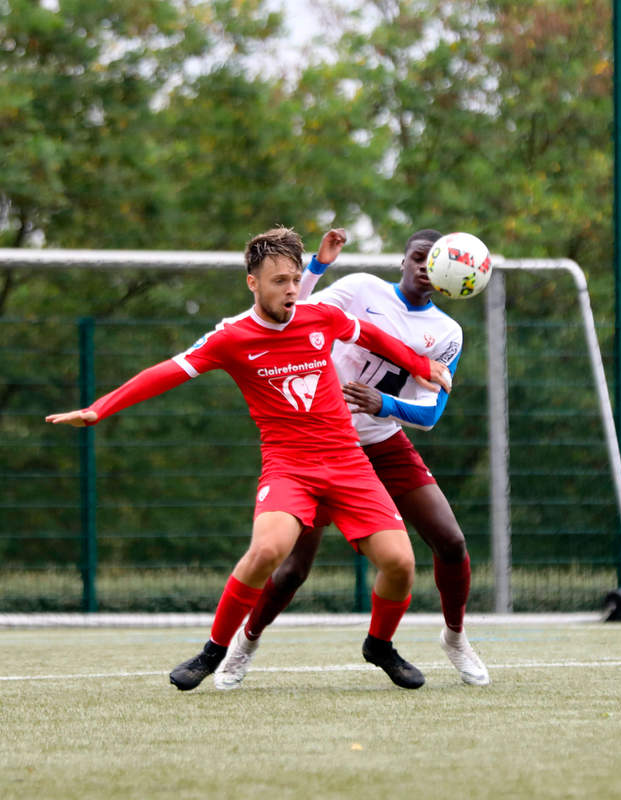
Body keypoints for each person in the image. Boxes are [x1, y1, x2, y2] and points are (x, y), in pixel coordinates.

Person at [46, 227, 453, 692]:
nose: (291, 289)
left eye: (296, 279)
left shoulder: (321, 317)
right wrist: (101, 408)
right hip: (289, 466)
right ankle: (214, 651)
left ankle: (379, 645)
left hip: (347, 462)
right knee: (266, 552)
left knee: (400, 563)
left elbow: (378, 338)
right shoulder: (231, 337)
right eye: (279, 280)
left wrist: (424, 367)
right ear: (252, 283)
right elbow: (166, 372)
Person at [212, 227, 490, 689]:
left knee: (452, 541)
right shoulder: (362, 289)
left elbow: (433, 412)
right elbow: (294, 310)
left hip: (384, 442)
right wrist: (318, 265)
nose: (424, 265)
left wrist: (384, 406)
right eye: (418, 256)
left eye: (432, 260)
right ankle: (246, 643)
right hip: (319, 444)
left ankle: (455, 638)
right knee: (292, 570)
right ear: (403, 260)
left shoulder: (447, 332)